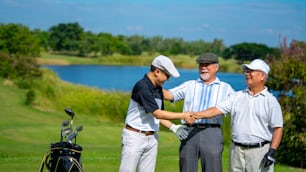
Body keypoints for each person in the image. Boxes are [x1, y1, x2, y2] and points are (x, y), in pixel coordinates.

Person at [189, 59, 283, 172]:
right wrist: (196, 115)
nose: (247, 74)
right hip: (236, 151)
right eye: (246, 71)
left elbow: (278, 128)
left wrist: (272, 151)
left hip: (259, 152)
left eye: (251, 71)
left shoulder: (271, 101)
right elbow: (216, 110)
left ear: (262, 76)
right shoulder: (237, 96)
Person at [119, 55, 193, 172]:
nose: (168, 79)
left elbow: (159, 115)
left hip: (152, 138)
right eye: (167, 75)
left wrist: (173, 127)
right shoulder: (142, 87)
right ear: (157, 72)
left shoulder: (157, 89)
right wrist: (183, 115)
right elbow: (157, 113)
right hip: (134, 137)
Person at [163, 53, 235, 172]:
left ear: (216, 67)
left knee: (213, 169)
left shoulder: (226, 88)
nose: (203, 67)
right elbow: (170, 95)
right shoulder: (190, 85)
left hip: (212, 132)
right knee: (186, 168)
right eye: (201, 65)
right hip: (189, 132)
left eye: (207, 64)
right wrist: (151, 85)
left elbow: (236, 107)